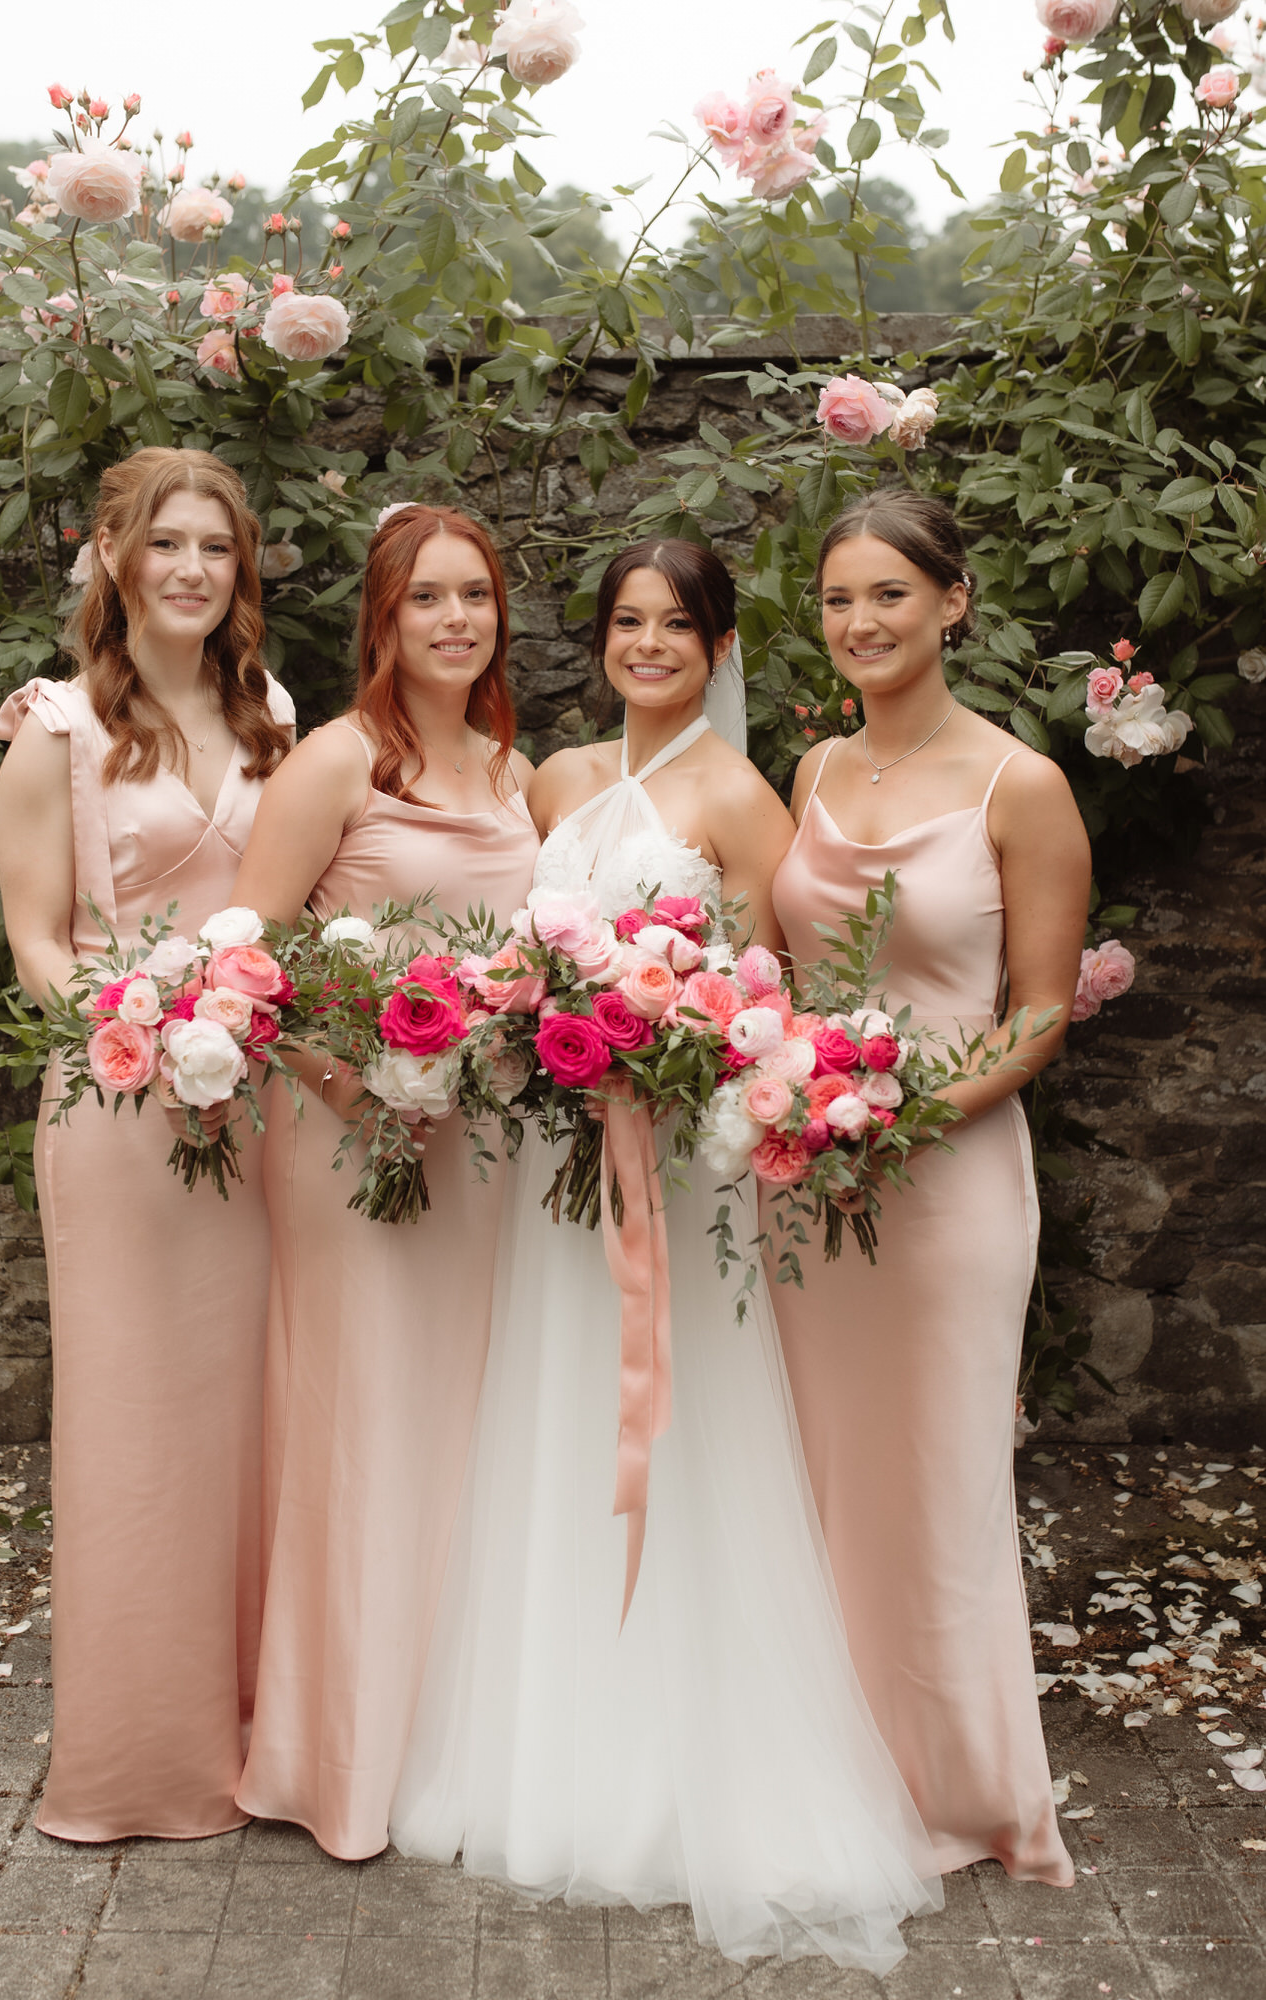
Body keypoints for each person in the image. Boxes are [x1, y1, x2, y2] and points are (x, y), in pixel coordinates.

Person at [390, 538, 943, 1972]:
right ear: (602, 639)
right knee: (554, 1436)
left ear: (717, 646)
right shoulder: (553, 780)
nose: (647, 646)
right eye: (626, 624)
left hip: (678, 1189)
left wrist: (687, 1054)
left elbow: (786, 1001)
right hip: (552, 1177)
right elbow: (511, 957)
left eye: (674, 627)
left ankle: (682, 1771)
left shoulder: (741, 799)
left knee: (682, 1447)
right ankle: (551, 1754)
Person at [768, 491, 1091, 1887]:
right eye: (839, 600)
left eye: (889, 595)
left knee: (938, 1475)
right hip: (802, 1183)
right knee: (817, 1474)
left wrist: (904, 1113)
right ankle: (822, 1775)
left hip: (946, 1176)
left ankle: (964, 1797)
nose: (860, 624)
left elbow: (1038, 1016)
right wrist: (790, 1089)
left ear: (952, 601)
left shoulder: (1019, 784)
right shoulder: (811, 776)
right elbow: (780, 975)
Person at [0, 446, 296, 1841]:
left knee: (253, 1422)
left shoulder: (272, 712)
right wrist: (143, 1024)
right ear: (111, 556)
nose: (189, 569)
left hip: (258, 1110)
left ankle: (260, 1735)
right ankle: (137, 1763)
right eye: (164, 543)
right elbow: (38, 945)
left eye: (215, 549)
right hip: (118, 1105)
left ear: (240, 572)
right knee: (133, 1430)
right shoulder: (54, 729)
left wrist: (236, 1029)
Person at [231, 503, 540, 1860]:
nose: (454, 621)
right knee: (365, 1426)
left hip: (486, 1152)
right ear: (382, 617)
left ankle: (452, 1748)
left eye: (474, 596)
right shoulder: (334, 763)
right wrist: (359, 1086)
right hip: (352, 1139)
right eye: (427, 599)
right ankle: (340, 1761)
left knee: (472, 1431)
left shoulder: (518, 772)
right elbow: (249, 960)